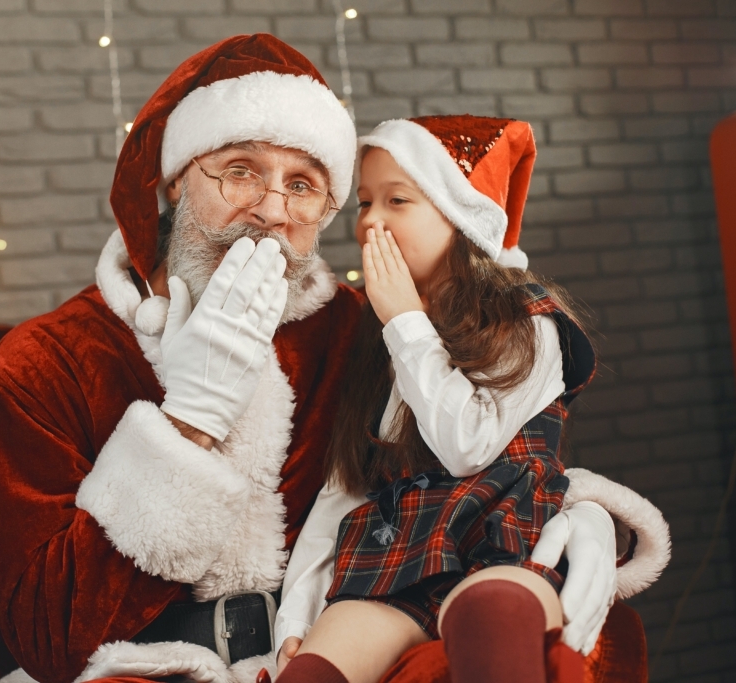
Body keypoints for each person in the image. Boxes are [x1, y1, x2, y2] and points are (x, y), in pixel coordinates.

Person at [0, 36, 671, 683]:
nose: (271, 211)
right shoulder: (50, 360)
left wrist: (573, 509)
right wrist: (189, 422)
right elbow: (48, 636)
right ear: (176, 181)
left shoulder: (357, 328)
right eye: (240, 171)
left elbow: (461, 457)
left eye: (303, 185)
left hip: (336, 634)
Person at [270, 115, 633, 683]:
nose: (371, 221)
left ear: (459, 215)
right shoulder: (377, 336)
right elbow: (345, 488)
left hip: (498, 544)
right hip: (395, 559)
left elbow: (468, 447)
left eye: (397, 200)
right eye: (365, 202)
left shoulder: (523, 318)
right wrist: (297, 614)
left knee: (493, 615)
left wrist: (406, 323)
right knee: (310, 673)